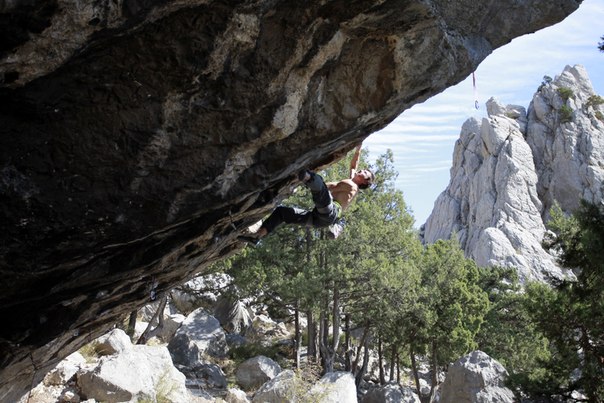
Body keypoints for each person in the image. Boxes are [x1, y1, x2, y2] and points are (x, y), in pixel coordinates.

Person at [239, 144, 374, 244]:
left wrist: (303, 182)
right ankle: (257, 236)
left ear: (365, 181)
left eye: (364, 172)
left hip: (330, 212)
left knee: (319, 182)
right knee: (282, 213)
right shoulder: (352, 181)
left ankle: (305, 175)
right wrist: (358, 148)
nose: (361, 170)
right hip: (319, 220)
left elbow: (330, 186)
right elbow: (353, 166)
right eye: (362, 169)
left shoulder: (351, 186)